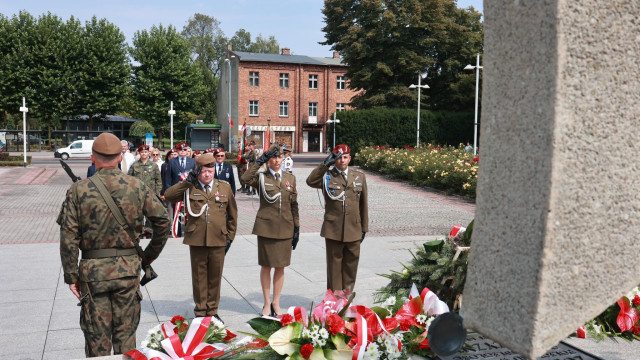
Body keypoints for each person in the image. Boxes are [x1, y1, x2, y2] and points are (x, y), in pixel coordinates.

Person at [57, 132, 169, 357]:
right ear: (120, 157)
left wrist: (71, 276)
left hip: (93, 274)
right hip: (127, 271)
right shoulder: (136, 186)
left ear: (92, 158)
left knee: (96, 339)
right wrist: (148, 256)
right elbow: (163, 221)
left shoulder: (78, 190)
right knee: (126, 337)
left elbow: (68, 237)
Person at [164, 153, 237, 322]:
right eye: (204, 171)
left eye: (210, 171)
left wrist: (230, 237)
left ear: (214, 171)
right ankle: (200, 311)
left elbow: (233, 215)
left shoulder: (224, 188)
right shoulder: (191, 186)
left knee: (215, 276)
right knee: (199, 277)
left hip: (218, 238)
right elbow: (168, 195)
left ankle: (212, 311)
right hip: (197, 238)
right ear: (198, 171)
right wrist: (187, 181)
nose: (207, 175)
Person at [241, 143, 299, 317]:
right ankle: (267, 303)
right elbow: (244, 178)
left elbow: (294, 205)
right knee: (266, 266)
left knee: (280, 267)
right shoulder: (261, 178)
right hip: (266, 228)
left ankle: (276, 302)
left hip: (285, 227)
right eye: (273, 157)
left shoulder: (290, 178)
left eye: (280, 156)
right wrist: (260, 161)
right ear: (269, 159)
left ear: (284, 158)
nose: (277, 160)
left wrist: (297, 228)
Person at [306, 144, 368, 293]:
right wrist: (325, 164)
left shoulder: (359, 176)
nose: (342, 160)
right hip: (334, 229)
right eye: (339, 157)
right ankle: (334, 299)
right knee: (334, 265)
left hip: (354, 228)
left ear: (350, 158)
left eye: (345, 157)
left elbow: (363, 204)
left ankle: (347, 296)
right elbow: (310, 181)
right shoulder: (327, 176)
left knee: (351, 264)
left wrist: (364, 228)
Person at [129, 145, 163, 237]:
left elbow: (158, 180)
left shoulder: (153, 165)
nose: (144, 154)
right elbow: (129, 180)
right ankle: (139, 231)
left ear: (149, 153)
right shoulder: (134, 165)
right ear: (139, 153)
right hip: (137, 194)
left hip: (150, 194)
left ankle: (148, 231)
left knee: (149, 213)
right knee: (138, 213)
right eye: (142, 152)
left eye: (146, 152)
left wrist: (156, 192)